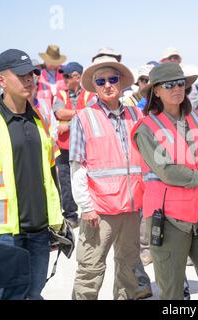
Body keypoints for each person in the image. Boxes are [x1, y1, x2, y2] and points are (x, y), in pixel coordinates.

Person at [132, 62, 198, 300]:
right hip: (168, 221)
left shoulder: (197, 120)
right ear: (156, 90)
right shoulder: (145, 128)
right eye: (169, 85)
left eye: (180, 84)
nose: (177, 89)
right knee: (172, 294)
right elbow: (167, 171)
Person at [0, 49, 63, 300]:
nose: (29, 80)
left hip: (39, 231)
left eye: (31, 74)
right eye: (21, 76)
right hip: (3, 233)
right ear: (2, 81)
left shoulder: (39, 118)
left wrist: (58, 221)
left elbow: (51, 171)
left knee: (34, 293)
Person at [70, 53, 144, 300]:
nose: (108, 85)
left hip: (132, 208)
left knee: (128, 270)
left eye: (112, 79)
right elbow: (78, 167)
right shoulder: (84, 117)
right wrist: (86, 207)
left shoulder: (136, 116)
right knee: (90, 271)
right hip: (98, 212)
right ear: (94, 86)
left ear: (122, 83)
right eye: (100, 82)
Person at [53, 62, 96, 228]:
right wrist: (81, 113)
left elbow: (91, 113)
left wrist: (69, 123)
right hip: (64, 147)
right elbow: (59, 112)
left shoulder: (89, 95)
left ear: (77, 77)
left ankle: (90, 210)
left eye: (66, 76)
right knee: (65, 182)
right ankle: (70, 215)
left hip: (84, 146)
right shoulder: (60, 95)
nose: (63, 79)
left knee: (86, 179)